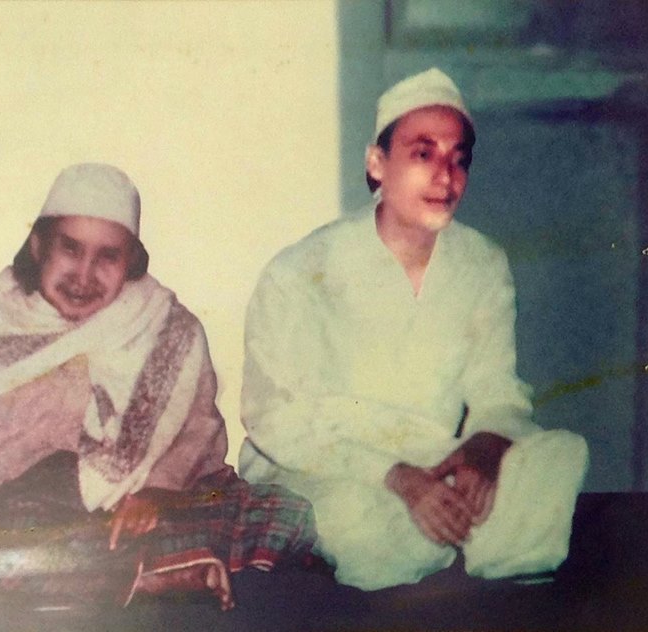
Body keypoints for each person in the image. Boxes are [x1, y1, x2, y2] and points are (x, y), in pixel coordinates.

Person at [0, 163, 316, 611]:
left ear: (130, 260)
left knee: (285, 515)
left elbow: (196, 435)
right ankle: (143, 577)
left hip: (140, 509)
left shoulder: (166, 325)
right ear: (38, 245)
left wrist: (154, 493)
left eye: (108, 256)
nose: (84, 274)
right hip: (24, 508)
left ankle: (101, 574)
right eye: (70, 248)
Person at [238, 68, 589, 590]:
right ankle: (467, 542)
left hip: (433, 457)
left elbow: (496, 390)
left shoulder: (482, 263)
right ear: (376, 164)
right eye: (423, 154)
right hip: (326, 467)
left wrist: (481, 453)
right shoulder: (301, 270)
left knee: (558, 455)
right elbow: (276, 419)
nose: (446, 177)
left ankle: (451, 532)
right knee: (355, 522)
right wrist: (399, 479)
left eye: (458, 159)